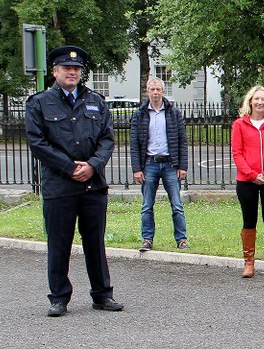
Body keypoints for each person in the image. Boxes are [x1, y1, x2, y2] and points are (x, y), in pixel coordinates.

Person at [25, 45, 124, 317]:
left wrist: (92, 165)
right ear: (55, 71)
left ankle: (102, 294)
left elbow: (107, 139)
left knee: (95, 242)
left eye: (77, 69)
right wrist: (70, 168)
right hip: (60, 186)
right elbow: (37, 143)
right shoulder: (40, 103)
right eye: (67, 68)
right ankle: (59, 297)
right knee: (59, 243)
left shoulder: (96, 101)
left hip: (92, 185)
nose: (72, 72)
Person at [231, 85, 264, 278]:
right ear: (250, 101)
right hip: (246, 180)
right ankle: (249, 263)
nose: (260, 102)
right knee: (249, 220)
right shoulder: (239, 124)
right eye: (256, 99)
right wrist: (252, 174)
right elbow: (237, 153)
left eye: (263, 99)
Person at [131, 77, 190, 252]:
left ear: (163, 91)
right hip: (149, 164)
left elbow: (182, 141)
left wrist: (183, 166)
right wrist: (137, 169)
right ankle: (147, 239)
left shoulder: (173, 113)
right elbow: (134, 144)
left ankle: (182, 239)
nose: (155, 92)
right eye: (152, 89)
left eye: (158, 89)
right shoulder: (140, 114)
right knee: (147, 205)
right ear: (147, 91)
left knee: (177, 205)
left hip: (170, 164)